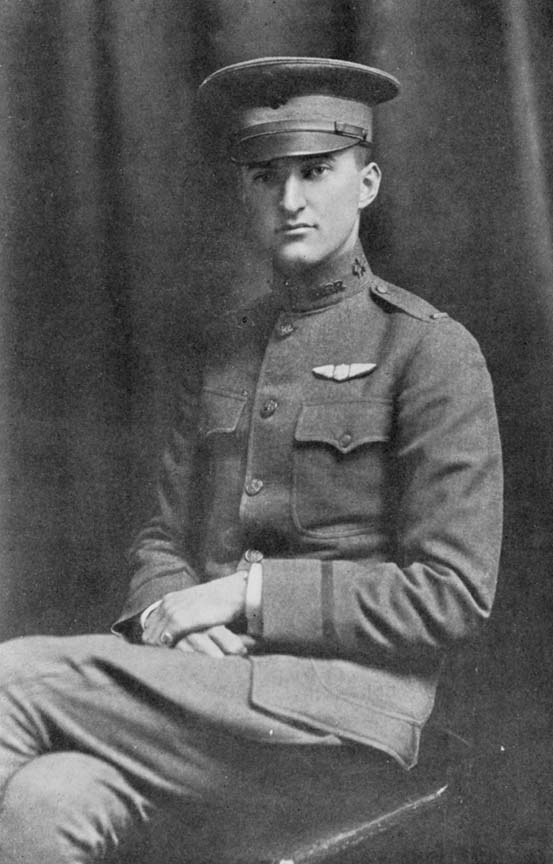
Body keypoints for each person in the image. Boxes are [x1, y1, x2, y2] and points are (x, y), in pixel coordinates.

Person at [0, 57, 502, 863]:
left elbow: (452, 593)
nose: (290, 199)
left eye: (317, 171)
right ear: (247, 192)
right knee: (45, 799)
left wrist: (241, 596)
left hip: (341, 714)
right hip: (206, 696)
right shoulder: (226, 349)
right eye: (268, 177)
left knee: (12, 682)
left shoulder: (431, 352)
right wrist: (171, 617)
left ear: (367, 183)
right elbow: (163, 538)